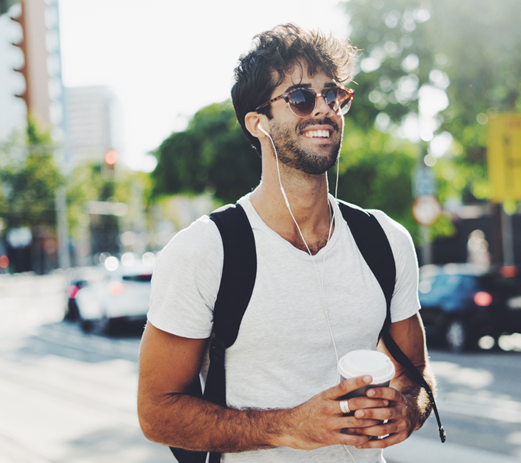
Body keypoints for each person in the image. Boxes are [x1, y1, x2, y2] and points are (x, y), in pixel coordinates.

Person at [137, 23, 436, 462]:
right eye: (300, 97)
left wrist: (408, 410)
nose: (324, 109)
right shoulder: (203, 252)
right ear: (258, 123)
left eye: (333, 95)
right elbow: (157, 412)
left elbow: (416, 375)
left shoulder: (386, 240)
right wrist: (290, 426)